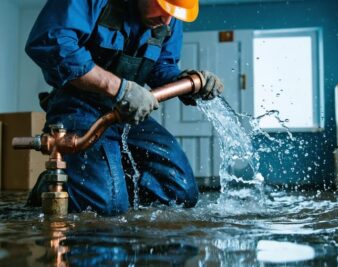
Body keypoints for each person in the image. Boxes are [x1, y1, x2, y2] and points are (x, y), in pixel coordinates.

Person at [26, 0, 224, 215]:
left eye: (173, 15)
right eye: (164, 9)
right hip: (78, 106)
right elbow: (52, 44)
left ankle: (109, 184)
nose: (167, 20)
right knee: (103, 208)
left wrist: (187, 82)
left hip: (128, 110)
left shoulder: (166, 18)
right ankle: (56, 185)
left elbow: (162, 67)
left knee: (181, 192)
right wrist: (119, 88)